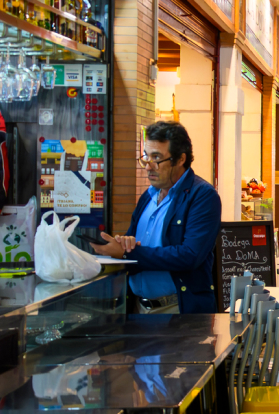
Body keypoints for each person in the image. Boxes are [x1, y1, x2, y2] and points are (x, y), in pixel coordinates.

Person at [92, 121, 222, 314]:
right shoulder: (148, 196)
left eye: (157, 158)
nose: (148, 167)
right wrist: (123, 244)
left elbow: (190, 255)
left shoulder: (202, 196)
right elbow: (133, 245)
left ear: (180, 159)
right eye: (146, 157)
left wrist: (128, 254)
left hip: (177, 310)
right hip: (137, 308)